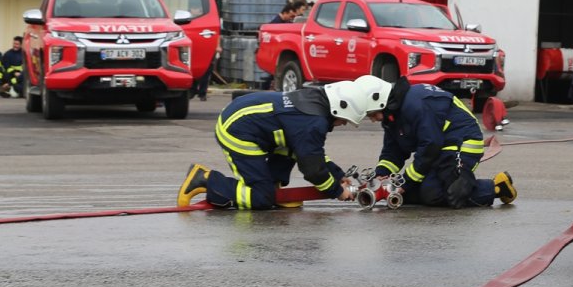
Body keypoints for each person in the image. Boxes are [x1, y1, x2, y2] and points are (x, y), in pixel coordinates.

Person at [177, 80, 366, 210]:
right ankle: (205, 179)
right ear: (338, 108)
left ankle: (273, 187)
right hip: (237, 132)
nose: (343, 124)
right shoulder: (313, 123)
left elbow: (311, 153)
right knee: (261, 198)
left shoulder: (315, 101)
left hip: (247, 121)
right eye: (344, 120)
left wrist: (338, 175)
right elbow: (312, 170)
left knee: (294, 149)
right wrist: (337, 191)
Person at [354, 74, 517, 208]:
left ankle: (497, 187)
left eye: (372, 114)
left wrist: (405, 183)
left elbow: (430, 147)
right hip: (440, 147)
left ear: (380, 101)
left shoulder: (415, 105)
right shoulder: (392, 115)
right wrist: (380, 175)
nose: (374, 119)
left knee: (437, 194)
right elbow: (393, 151)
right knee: (407, 193)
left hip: (461, 144)